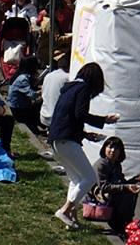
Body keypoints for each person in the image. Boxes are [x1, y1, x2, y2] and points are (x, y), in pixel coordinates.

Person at [48, 62, 120, 230]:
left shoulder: (69, 89)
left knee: (76, 179)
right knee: (89, 178)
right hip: (67, 140)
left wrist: (85, 135)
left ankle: (71, 217)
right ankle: (65, 210)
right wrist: (104, 120)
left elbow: (68, 118)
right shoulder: (83, 89)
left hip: (56, 140)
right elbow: (80, 114)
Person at [94, 136, 140, 236]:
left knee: (132, 192)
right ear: (104, 148)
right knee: (125, 194)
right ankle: (120, 223)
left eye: (116, 148)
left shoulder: (116, 165)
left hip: (112, 192)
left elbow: (122, 182)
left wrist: (136, 179)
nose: (113, 151)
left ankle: (126, 221)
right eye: (110, 147)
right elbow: (103, 187)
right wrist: (125, 187)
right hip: (100, 195)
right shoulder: (101, 164)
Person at [7, 55, 43, 135]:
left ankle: (37, 125)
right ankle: (35, 126)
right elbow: (32, 94)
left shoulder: (20, 74)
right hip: (17, 109)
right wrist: (43, 90)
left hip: (19, 105)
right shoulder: (23, 78)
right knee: (39, 104)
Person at [40, 53, 70, 129]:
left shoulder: (48, 75)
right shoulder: (68, 77)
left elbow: (42, 92)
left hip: (44, 115)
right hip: (56, 118)